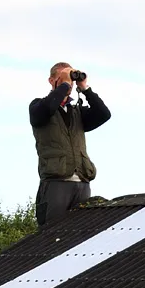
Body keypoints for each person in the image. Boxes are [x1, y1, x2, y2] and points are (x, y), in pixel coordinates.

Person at [29, 62, 112, 227]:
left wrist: (85, 88)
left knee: (79, 234)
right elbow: (47, 108)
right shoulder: (38, 107)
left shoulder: (76, 112)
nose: (69, 83)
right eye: (63, 77)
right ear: (51, 81)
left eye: (70, 79)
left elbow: (104, 114)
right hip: (56, 181)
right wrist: (64, 84)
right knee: (51, 233)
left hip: (82, 180)